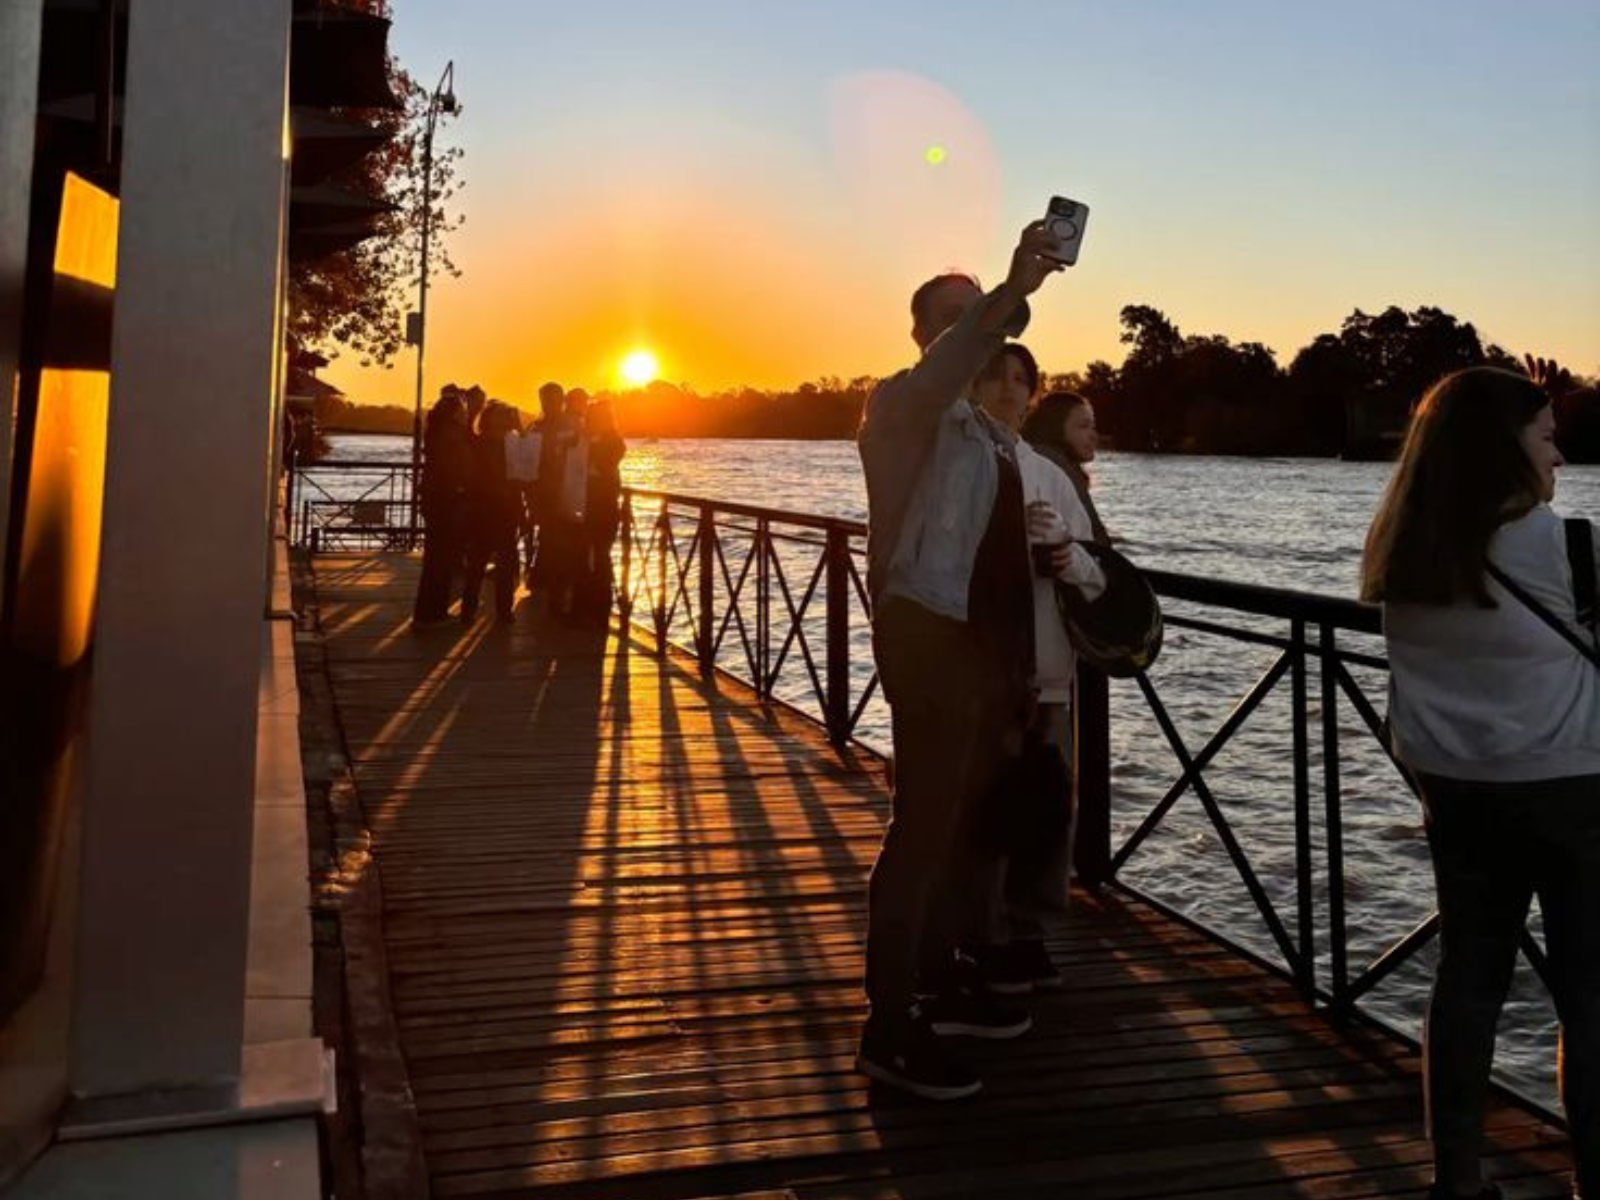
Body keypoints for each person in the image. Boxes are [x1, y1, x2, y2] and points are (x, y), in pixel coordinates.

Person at [1359, 366, 1599, 1200]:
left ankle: (1457, 1180)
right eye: (1546, 437)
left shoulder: (1404, 551)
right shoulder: (1567, 548)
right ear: (1503, 448)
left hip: (1455, 789)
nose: (1559, 456)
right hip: (1572, 787)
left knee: (1468, 980)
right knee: (1589, 996)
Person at [854, 220, 1066, 1101]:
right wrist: (1012, 289)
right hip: (925, 633)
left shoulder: (989, 436)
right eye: (954, 318)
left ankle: (939, 975)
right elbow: (949, 368)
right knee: (923, 827)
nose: (977, 330)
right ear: (921, 334)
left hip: (980, 650)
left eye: (983, 316)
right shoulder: (900, 406)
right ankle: (889, 1023)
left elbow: (1003, 557)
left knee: (961, 821)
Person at [969, 343, 1105, 993]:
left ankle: (1030, 932)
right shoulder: (955, 468)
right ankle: (978, 932)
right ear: (972, 386)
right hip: (976, 672)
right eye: (995, 377)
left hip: (1047, 668)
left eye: (1020, 380)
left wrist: (1066, 559)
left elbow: (1100, 572)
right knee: (983, 803)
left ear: (1031, 395)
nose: (1007, 389)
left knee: (1046, 806)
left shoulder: (1049, 477)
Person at [460, 401, 524, 624]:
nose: (503, 419)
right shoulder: (479, 444)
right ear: (488, 419)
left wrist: (519, 427)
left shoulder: (511, 443)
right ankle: (469, 609)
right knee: (478, 562)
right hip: (484, 508)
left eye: (505, 416)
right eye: (499, 415)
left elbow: (526, 464)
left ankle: (503, 610)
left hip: (506, 508)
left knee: (504, 563)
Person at [412, 390, 471, 627]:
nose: (466, 415)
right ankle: (434, 613)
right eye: (463, 411)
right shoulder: (454, 435)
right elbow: (457, 468)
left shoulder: (435, 432)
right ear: (455, 413)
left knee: (434, 558)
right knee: (442, 559)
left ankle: (426, 612)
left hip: (433, 499)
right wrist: (461, 487)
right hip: (448, 500)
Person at [1021, 391, 1109, 544]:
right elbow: (1097, 541)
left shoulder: (1034, 458)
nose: (1094, 436)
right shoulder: (1057, 465)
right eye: (1083, 426)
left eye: (1093, 427)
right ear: (1056, 428)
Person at [577, 398, 626, 625]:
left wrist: (589, 445)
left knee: (600, 558)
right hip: (585, 504)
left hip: (604, 506)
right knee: (583, 557)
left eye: (595, 418)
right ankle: (584, 607)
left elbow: (606, 465)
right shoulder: (584, 440)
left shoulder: (613, 441)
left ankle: (599, 612)